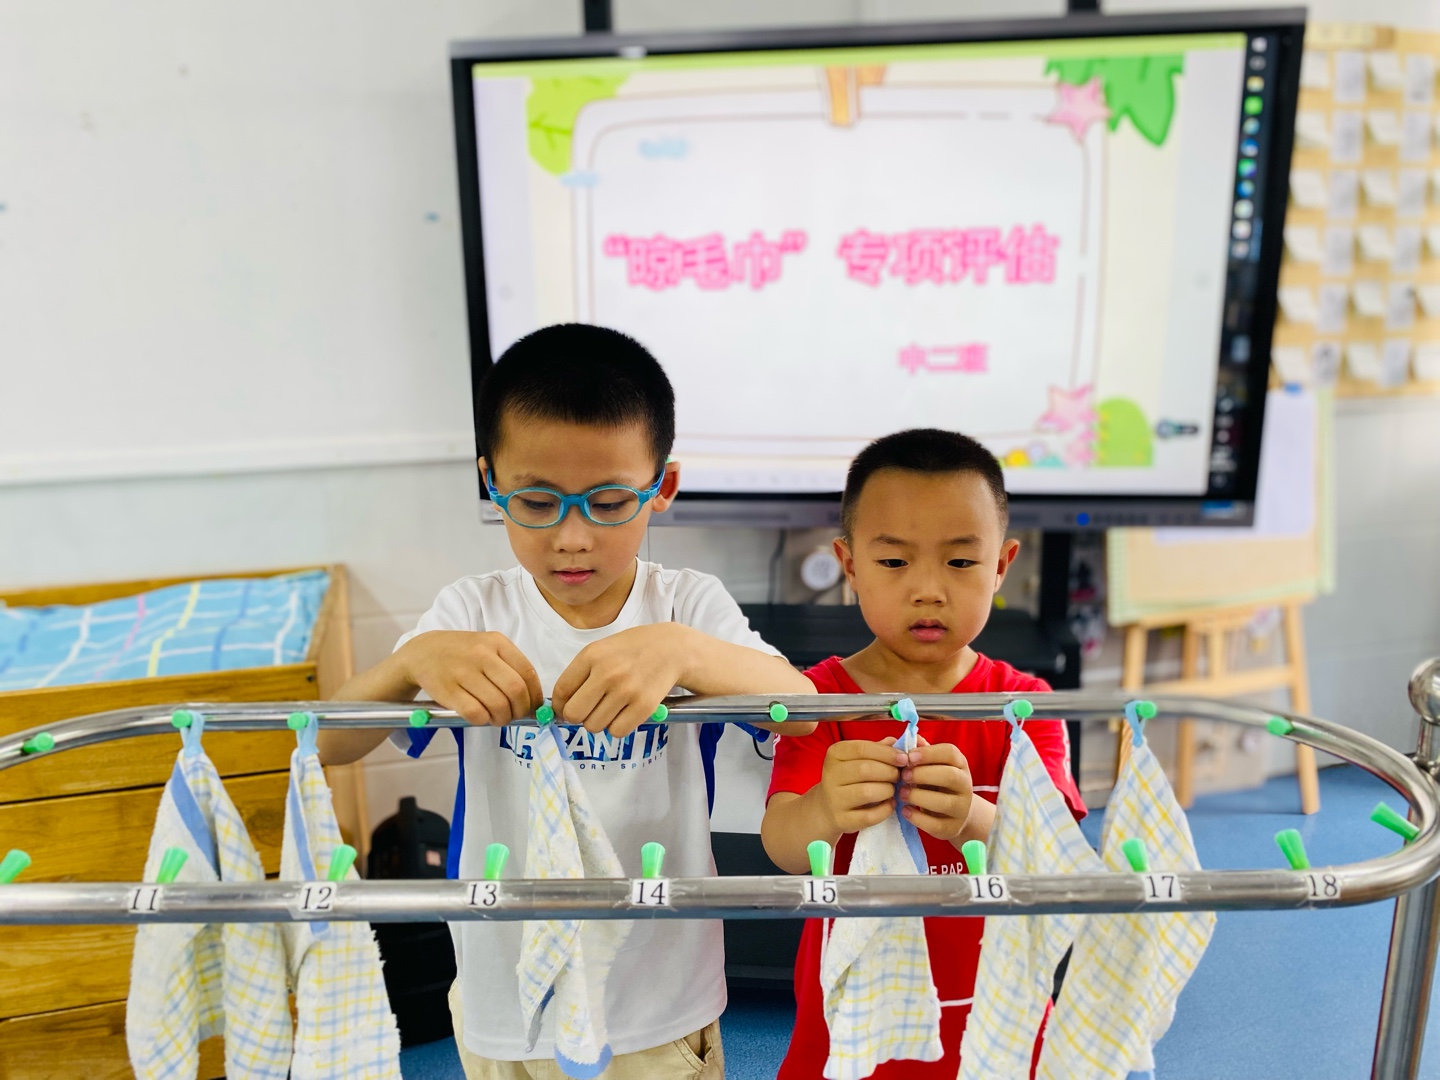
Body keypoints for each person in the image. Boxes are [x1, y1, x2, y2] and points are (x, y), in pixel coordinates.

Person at [319, 323, 815, 1079]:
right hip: (503, 990)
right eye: (536, 500)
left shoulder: (686, 605)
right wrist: (411, 663)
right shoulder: (469, 612)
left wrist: (684, 652)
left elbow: (804, 709)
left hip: (657, 993)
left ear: (663, 487)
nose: (573, 537)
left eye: (609, 502)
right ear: (491, 482)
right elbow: (330, 744)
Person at [760, 427, 1085, 1079]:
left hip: (998, 1025)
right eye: (894, 562)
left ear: (1002, 565)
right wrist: (825, 808)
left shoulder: (1025, 706)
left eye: (960, 563)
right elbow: (783, 846)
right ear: (850, 565)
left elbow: (1054, 863)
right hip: (848, 1023)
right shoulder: (818, 699)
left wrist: (970, 817)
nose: (928, 590)